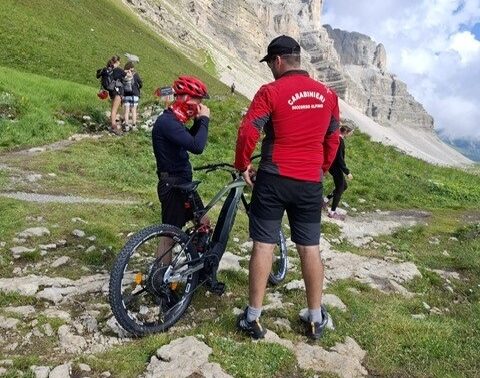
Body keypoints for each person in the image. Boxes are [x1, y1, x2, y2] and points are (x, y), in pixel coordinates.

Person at [234, 35, 340, 340]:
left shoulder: (271, 91)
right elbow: (333, 139)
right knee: (310, 247)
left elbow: (248, 131)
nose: (269, 68)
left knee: (263, 245)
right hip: (309, 182)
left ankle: (253, 317)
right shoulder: (328, 95)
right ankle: (315, 318)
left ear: (278, 61)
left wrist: (242, 164)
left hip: (273, 179)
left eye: (269, 63)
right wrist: (320, 169)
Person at [152, 75, 210, 272]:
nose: (199, 105)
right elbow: (197, 146)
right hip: (173, 185)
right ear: (184, 99)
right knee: (169, 234)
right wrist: (204, 121)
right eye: (197, 100)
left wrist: (197, 121)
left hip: (183, 183)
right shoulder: (166, 122)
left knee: (203, 223)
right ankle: (161, 278)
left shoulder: (174, 121)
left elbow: (188, 138)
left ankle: (195, 267)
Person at [324, 125, 354, 220]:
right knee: (340, 188)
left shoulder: (337, 138)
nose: (351, 134)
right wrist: (347, 172)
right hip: (336, 167)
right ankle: (332, 213)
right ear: (346, 132)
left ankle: (325, 201)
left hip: (333, 166)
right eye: (350, 132)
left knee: (343, 186)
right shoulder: (340, 141)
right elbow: (339, 159)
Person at [96, 55, 126, 135]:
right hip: (118, 91)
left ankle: (113, 125)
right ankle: (114, 126)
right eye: (119, 61)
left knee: (113, 108)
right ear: (117, 62)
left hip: (112, 92)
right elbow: (125, 77)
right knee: (114, 109)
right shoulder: (119, 70)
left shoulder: (106, 69)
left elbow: (98, 75)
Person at [122, 61, 143, 131]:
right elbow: (140, 83)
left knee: (126, 111)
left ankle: (126, 126)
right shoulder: (135, 74)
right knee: (134, 110)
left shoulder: (124, 75)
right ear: (131, 68)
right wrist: (138, 87)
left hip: (126, 94)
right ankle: (134, 126)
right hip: (135, 94)